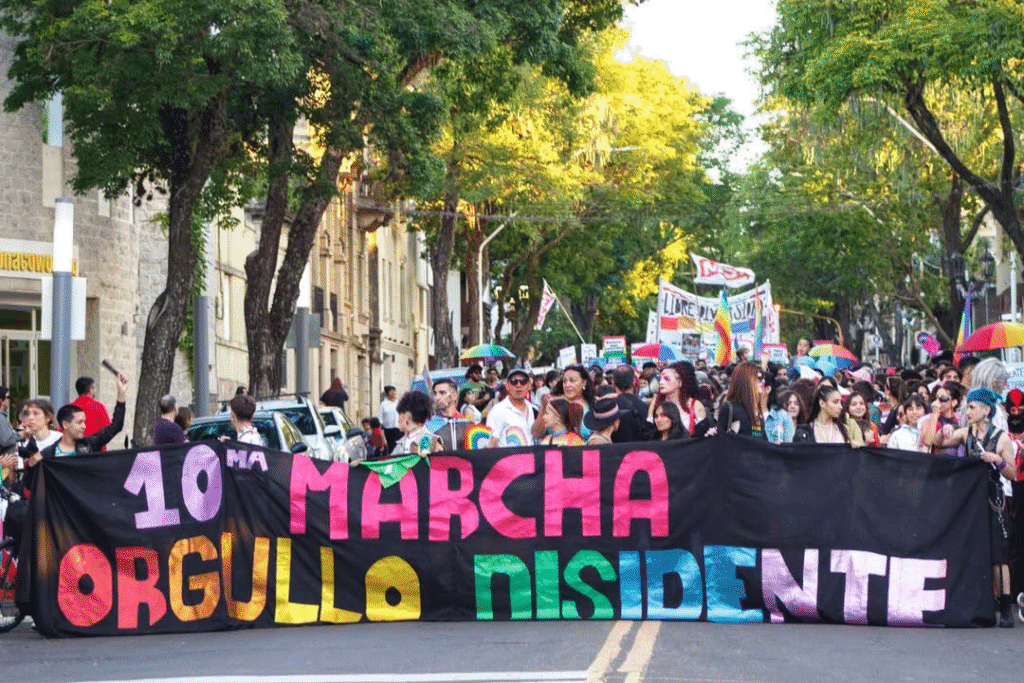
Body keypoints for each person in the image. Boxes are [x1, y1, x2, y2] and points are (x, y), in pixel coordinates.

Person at [934, 388, 1018, 627]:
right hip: (970, 498)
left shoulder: (1001, 437)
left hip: (993, 497)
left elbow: (1012, 473)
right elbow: (936, 442)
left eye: (972, 407)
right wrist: (944, 429)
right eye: (967, 407)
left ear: (986, 410)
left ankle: (1005, 605)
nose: (967, 411)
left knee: (998, 553)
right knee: (969, 548)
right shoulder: (965, 433)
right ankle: (975, 600)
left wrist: (998, 460)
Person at [29, 372, 129, 461]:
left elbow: (116, 426)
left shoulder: (89, 445)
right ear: (65, 424)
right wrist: (31, 464)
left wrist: (121, 393)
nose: (84, 426)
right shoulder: (48, 453)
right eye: (79, 422)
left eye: (84, 422)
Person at [649, 361, 711, 438]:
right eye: (660, 379)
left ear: (680, 382)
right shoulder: (655, 403)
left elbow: (703, 435)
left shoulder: (695, 405)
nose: (661, 382)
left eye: (666, 379)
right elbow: (649, 432)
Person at [534, 364, 595, 442]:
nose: (567, 385)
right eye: (564, 381)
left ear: (584, 383)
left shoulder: (593, 405)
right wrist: (543, 409)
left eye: (572, 381)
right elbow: (536, 433)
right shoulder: (552, 403)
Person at [486, 368, 536, 448]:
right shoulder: (498, 410)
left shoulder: (530, 407)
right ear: (507, 386)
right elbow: (490, 444)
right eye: (514, 382)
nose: (518, 385)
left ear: (528, 386)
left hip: (531, 458)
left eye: (523, 382)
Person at [717, 362, 766, 437]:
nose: (763, 382)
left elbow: (758, 439)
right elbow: (722, 439)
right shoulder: (729, 408)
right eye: (759, 378)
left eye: (763, 378)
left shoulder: (755, 411)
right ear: (747, 381)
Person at [919, 381, 964, 456]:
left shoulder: (960, 420)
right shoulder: (929, 420)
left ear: (953, 402)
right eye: (936, 398)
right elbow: (928, 441)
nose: (937, 402)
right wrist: (935, 413)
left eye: (942, 398)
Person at [393, 391, 441, 456]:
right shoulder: (403, 440)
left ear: (407, 416)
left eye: (399, 415)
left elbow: (421, 463)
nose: (398, 420)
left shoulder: (427, 439)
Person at [611, 366, 648, 443]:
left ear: (613, 383)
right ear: (634, 382)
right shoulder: (645, 406)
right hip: (642, 451)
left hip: (617, 452)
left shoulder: (610, 407)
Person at [72, 375, 112, 445]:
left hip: (75, 450)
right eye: (94, 388)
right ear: (91, 389)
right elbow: (108, 430)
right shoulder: (99, 406)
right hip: (97, 451)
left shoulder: (70, 407)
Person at [431, 378, 469, 451]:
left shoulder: (466, 423)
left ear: (454, 396)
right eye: (435, 393)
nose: (437, 397)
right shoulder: (429, 425)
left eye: (442, 393)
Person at [379, 386, 401, 453]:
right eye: (390, 391)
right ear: (387, 393)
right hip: (388, 430)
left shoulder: (399, 402)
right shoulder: (383, 404)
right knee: (391, 448)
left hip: (399, 429)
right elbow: (380, 419)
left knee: (399, 447)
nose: (392, 393)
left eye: (393, 391)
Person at [0, 386, 17, 456]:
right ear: (1, 400)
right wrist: (20, 435)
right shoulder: (0, 417)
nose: (9, 400)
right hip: (4, 461)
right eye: (8, 397)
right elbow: (6, 441)